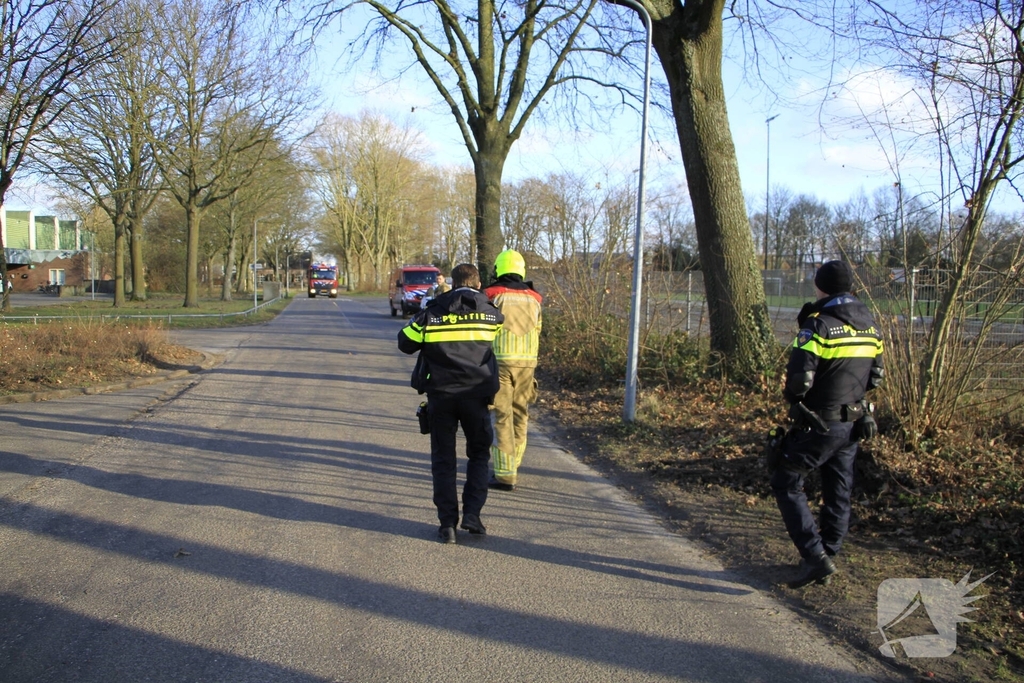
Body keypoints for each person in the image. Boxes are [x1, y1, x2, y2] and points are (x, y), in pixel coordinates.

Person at [772, 260, 884, 588]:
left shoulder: (818, 324)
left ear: (820, 287)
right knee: (839, 488)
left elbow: (800, 380)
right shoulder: (870, 326)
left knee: (786, 479)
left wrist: (795, 401)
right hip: (854, 422)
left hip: (820, 422)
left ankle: (814, 556)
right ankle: (829, 552)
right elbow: (876, 376)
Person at [398, 263, 504, 544]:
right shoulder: (492, 315)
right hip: (477, 396)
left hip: (441, 396)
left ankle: (447, 525)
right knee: (478, 455)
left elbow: (405, 343)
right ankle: (473, 515)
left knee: (444, 460)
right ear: (478, 284)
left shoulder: (432, 313)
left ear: (452, 283)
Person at [484, 249, 543, 491]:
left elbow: (484, 328)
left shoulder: (492, 294)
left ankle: (505, 475)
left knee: (501, 416)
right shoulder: (535, 298)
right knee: (520, 414)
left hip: (500, 362)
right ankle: (513, 463)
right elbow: (538, 329)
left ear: (499, 269)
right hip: (527, 364)